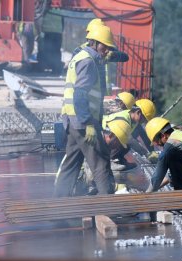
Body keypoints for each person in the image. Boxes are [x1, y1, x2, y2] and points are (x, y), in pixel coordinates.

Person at [54, 25, 117, 197]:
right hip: (83, 121)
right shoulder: (89, 61)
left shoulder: (80, 56)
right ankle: (108, 206)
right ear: (95, 43)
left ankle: (58, 204)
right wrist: (88, 122)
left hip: (72, 121)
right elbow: (80, 94)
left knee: (71, 164)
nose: (106, 51)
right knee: (100, 162)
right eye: (105, 46)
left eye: (109, 48)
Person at [103, 98, 156, 171]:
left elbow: (143, 135)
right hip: (104, 135)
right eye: (144, 118)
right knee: (121, 140)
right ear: (138, 112)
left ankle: (119, 160)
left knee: (126, 144)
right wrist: (146, 154)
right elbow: (130, 140)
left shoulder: (133, 119)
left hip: (108, 135)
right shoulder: (124, 121)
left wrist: (152, 152)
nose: (144, 121)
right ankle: (110, 162)